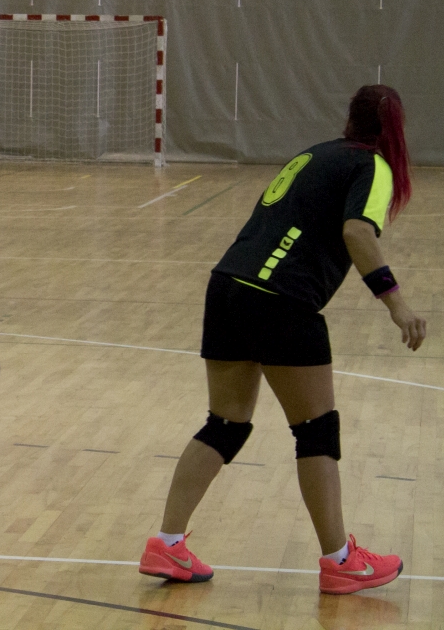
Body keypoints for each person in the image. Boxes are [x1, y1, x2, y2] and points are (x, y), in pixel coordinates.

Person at [138, 85, 426, 595]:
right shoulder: (372, 166)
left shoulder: (316, 154)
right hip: (281, 299)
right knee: (317, 430)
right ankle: (341, 561)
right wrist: (397, 305)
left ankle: (167, 543)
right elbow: (358, 232)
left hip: (227, 286)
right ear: (396, 129)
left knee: (226, 423)